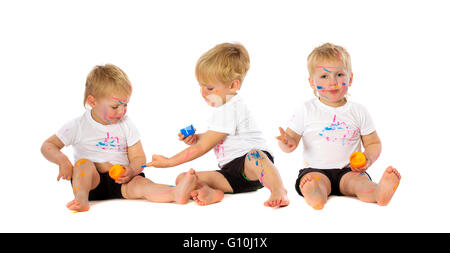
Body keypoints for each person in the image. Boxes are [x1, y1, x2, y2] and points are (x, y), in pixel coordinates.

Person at [146, 43, 289, 208]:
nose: (203, 92)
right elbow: (213, 138)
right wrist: (197, 138)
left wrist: (169, 161)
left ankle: (278, 190)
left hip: (252, 168)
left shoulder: (231, 107)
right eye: (200, 85)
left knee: (255, 156)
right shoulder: (222, 108)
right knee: (183, 178)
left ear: (233, 85)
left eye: (209, 87)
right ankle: (211, 192)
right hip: (230, 174)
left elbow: (203, 147)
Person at [41, 64, 197, 212]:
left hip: (122, 180)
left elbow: (138, 157)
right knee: (83, 165)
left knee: (143, 185)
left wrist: (131, 170)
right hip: (90, 184)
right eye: (115, 106)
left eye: (125, 105)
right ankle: (81, 200)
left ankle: (175, 193)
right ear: (92, 101)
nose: (122, 111)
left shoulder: (126, 124)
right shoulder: (77, 126)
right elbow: (48, 145)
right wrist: (62, 161)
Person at [277, 43, 401, 210]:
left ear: (350, 78)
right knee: (315, 182)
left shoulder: (358, 111)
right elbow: (290, 140)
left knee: (361, 184)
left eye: (339, 74)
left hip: (349, 171)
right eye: (324, 77)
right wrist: (286, 143)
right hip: (316, 171)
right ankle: (315, 195)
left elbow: (373, 143)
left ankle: (379, 192)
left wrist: (368, 159)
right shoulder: (306, 110)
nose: (333, 82)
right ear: (312, 83)